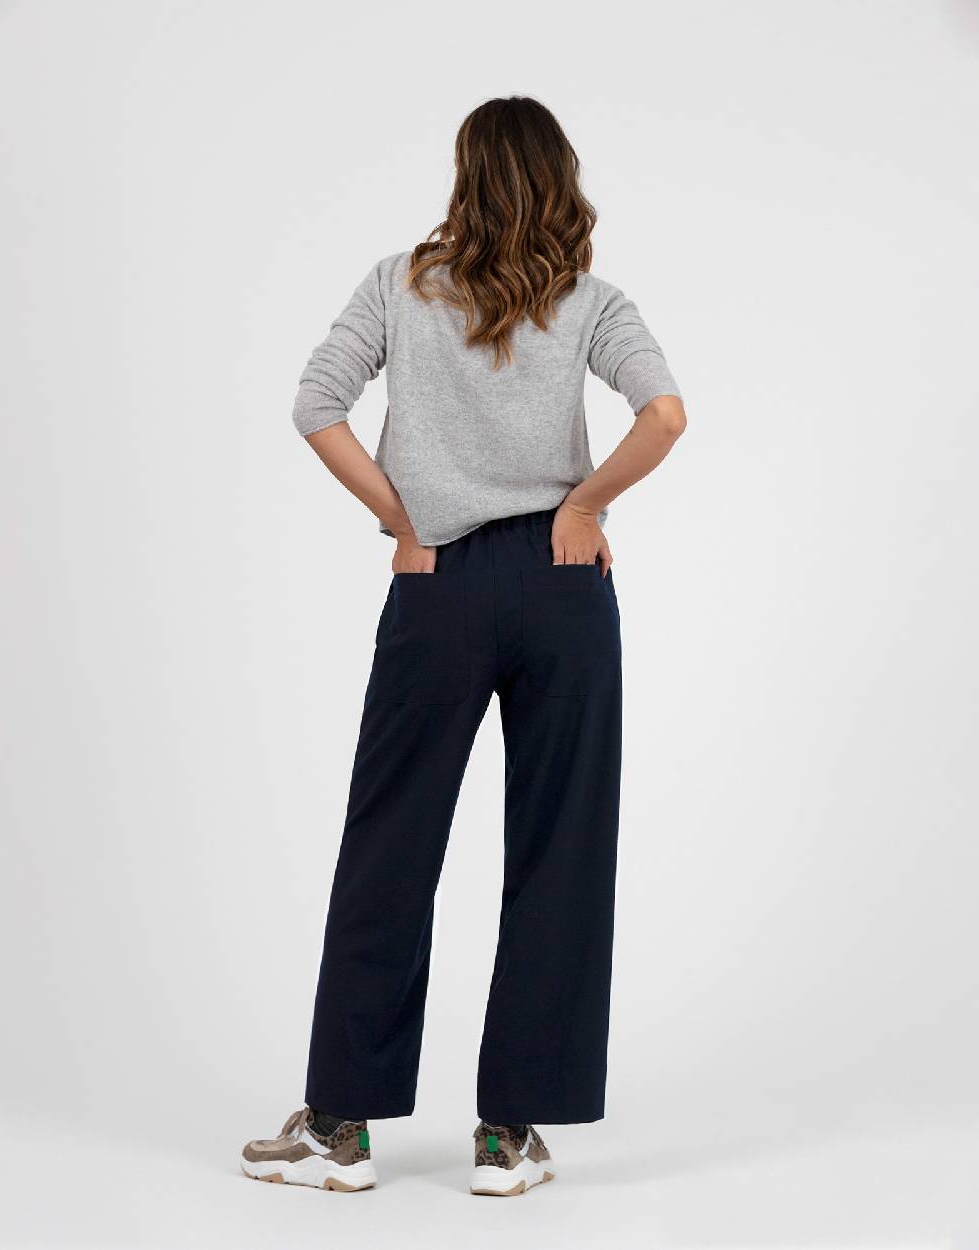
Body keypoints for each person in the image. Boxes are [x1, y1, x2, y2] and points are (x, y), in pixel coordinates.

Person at [241, 94, 687, 1197]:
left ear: (464, 174)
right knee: (559, 848)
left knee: (390, 840)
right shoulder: (592, 301)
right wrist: (582, 507)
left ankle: (340, 1127)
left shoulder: (398, 283)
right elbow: (666, 415)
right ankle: (505, 1138)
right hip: (562, 583)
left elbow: (316, 404)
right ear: (561, 179)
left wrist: (404, 520)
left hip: (435, 583)